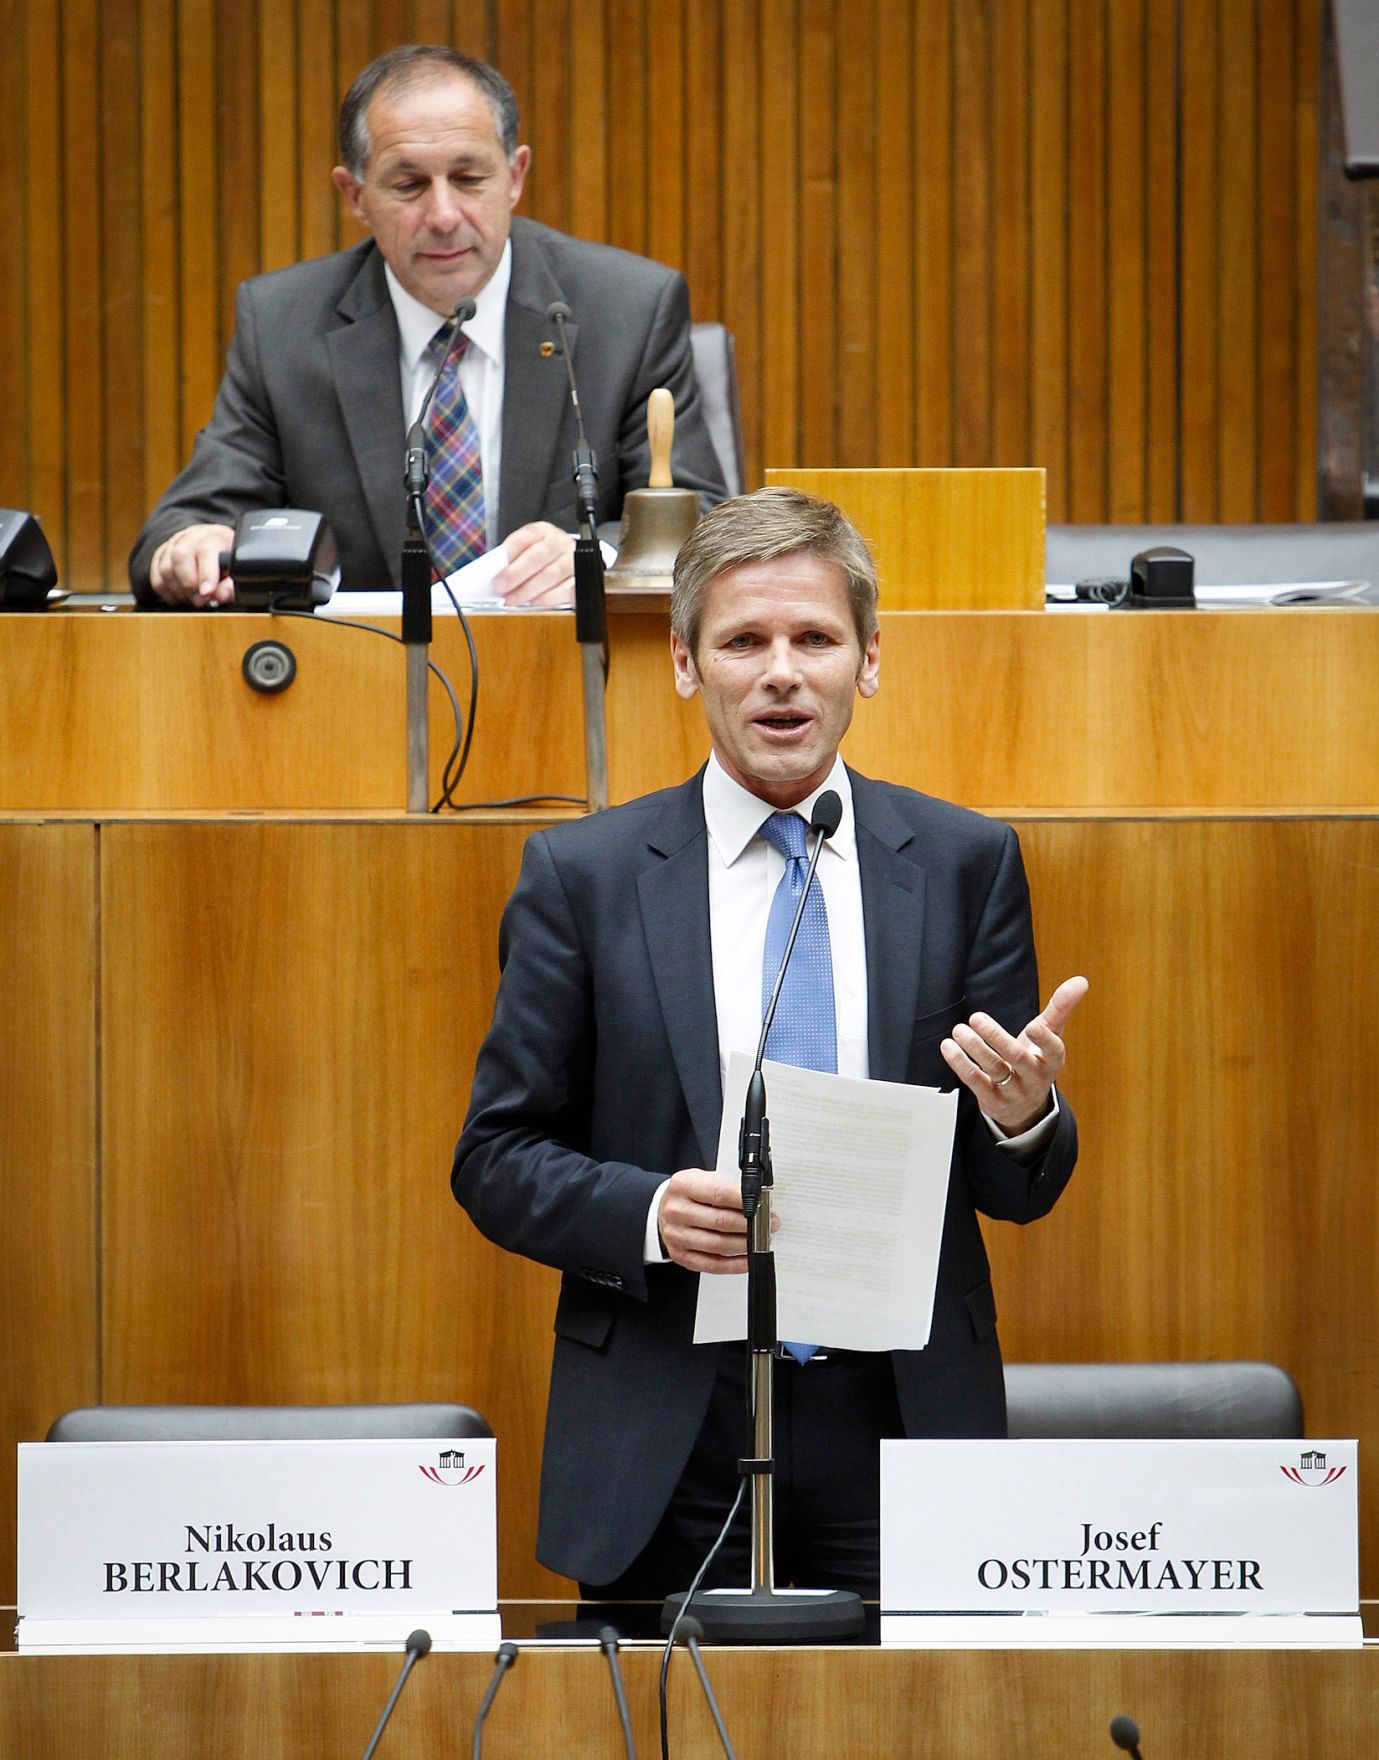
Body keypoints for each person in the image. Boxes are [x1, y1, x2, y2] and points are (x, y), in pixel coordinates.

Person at [452, 487, 1087, 1597]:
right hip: (668, 1420)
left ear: (868, 659)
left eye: (814, 638)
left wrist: (1018, 1115)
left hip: (896, 1417)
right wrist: (648, 1212)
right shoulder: (584, 878)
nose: (780, 670)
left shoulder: (961, 861)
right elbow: (496, 1156)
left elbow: (1009, 1189)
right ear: (688, 664)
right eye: (743, 639)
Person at [130, 45, 727, 608]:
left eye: (469, 179)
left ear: (515, 176)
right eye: (409, 185)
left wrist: (602, 557)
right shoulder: (284, 325)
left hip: (571, 680)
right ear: (355, 195)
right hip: (357, 688)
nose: (443, 216)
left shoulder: (627, 309)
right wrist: (192, 549)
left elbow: (712, 524)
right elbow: (184, 523)